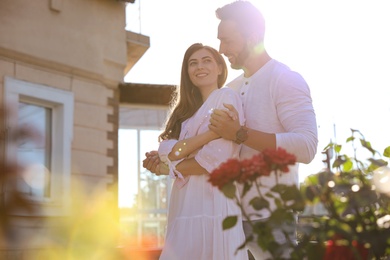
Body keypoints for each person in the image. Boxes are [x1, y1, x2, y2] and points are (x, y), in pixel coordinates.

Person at [207, 1, 319, 259]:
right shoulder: (229, 89)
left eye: (227, 41)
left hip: (273, 219)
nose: (221, 50)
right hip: (229, 217)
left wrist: (240, 133)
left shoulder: (286, 79)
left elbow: (307, 146)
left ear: (253, 37)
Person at [144, 43, 247, 260]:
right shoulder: (183, 114)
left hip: (215, 203)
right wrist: (209, 135)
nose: (199, 66)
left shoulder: (227, 98)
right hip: (184, 205)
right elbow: (167, 151)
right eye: (193, 63)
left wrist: (170, 166)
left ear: (220, 68)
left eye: (206, 60)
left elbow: (213, 161)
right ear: (187, 72)